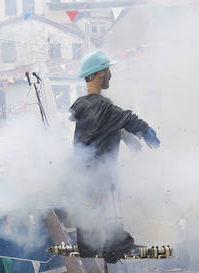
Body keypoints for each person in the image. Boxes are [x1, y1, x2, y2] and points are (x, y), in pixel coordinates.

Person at [68, 49, 160, 261]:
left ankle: (88, 246)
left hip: (84, 174)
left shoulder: (85, 106)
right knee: (110, 206)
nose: (110, 75)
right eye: (107, 71)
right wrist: (144, 130)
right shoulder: (100, 106)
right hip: (100, 174)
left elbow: (100, 129)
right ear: (99, 74)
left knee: (89, 213)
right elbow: (125, 117)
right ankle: (117, 244)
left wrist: (123, 136)